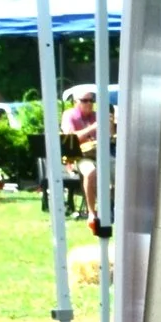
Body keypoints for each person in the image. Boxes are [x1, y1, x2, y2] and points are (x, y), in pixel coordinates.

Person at [61, 87, 104, 231]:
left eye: (91, 100)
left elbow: (110, 137)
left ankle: (112, 209)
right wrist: (92, 128)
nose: (89, 103)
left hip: (99, 154)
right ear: (75, 102)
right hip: (78, 157)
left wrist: (110, 125)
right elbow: (71, 138)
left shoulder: (97, 115)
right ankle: (92, 213)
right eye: (85, 100)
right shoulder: (69, 115)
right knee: (90, 172)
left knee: (120, 169)